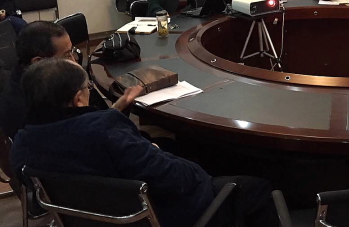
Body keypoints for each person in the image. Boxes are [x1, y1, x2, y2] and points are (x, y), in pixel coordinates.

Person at [10, 58, 279, 227]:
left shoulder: (23, 143)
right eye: (87, 88)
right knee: (257, 188)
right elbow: (177, 180)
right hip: (157, 215)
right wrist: (183, 164)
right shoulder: (106, 131)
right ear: (78, 99)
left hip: (88, 218)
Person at [0, 21, 110, 140]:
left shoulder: (38, 77)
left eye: (72, 52)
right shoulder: (32, 110)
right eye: (67, 55)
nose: (74, 61)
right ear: (39, 62)